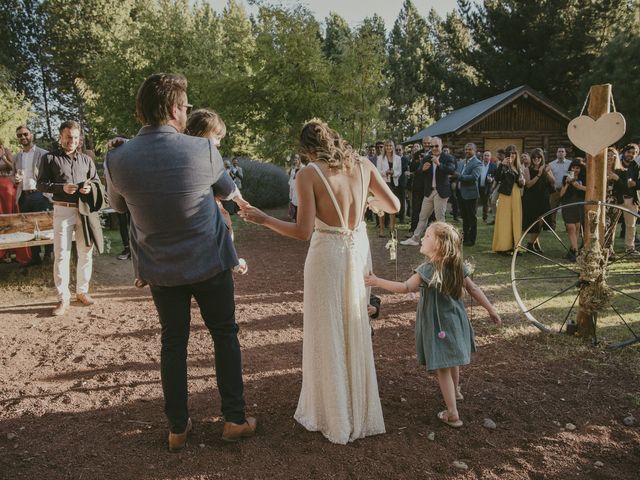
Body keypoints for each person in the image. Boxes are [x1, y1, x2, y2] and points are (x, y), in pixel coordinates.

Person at [105, 73, 256, 451]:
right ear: (174, 109)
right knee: (224, 335)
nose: (187, 113)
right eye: (186, 107)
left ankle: (177, 427)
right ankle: (234, 419)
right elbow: (230, 194)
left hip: (160, 268)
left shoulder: (117, 158)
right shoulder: (202, 150)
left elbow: (119, 207)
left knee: (173, 343)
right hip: (209, 261)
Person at [240, 119, 399, 444]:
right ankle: (358, 410)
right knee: (355, 325)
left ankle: (334, 415)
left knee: (328, 330)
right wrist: (370, 204)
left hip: (328, 255)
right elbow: (394, 205)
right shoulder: (364, 164)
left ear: (309, 150)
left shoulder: (309, 174)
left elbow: (302, 231)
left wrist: (264, 219)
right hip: (357, 253)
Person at [365, 222, 501, 428]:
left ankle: (453, 413)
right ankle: (455, 391)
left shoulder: (427, 269)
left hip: (439, 326)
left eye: (427, 236)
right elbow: (473, 289)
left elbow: (404, 287)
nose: (422, 239)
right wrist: (491, 310)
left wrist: (377, 281)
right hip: (456, 321)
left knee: (442, 368)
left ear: (439, 245)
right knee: (452, 360)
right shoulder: (457, 266)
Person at [37, 121, 103, 316]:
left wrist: (89, 188)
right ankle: (62, 298)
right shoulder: (49, 158)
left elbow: (97, 182)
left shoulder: (86, 160)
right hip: (62, 210)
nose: (72, 141)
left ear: (79, 138)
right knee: (62, 254)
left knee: (85, 251)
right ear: (61, 137)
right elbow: (40, 184)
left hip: (84, 212)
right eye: (68, 137)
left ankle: (82, 292)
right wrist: (60, 188)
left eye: (75, 137)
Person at [401, 137, 456, 246]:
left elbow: (451, 170)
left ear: (441, 145)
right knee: (423, 216)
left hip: (441, 192)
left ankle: (443, 242)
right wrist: (422, 170)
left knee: (440, 218)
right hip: (429, 191)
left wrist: (439, 163)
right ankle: (415, 239)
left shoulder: (447, 157)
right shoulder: (427, 158)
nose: (434, 148)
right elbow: (418, 172)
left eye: (436, 146)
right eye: (432, 146)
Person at [14, 125, 53, 264]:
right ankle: (35, 257)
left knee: (45, 226)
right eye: (20, 135)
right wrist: (16, 179)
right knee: (29, 228)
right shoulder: (17, 156)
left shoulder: (43, 153)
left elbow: (50, 175)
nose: (23, 137)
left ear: (31, 135)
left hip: (40, 194)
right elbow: (15, 175)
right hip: (24, 196)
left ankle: (48, 255)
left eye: (25, 134)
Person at [0, 142, 31, 264]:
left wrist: (3, 157)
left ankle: (15, 251)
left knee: (10, 216)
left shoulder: (6, 151)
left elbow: (13, 168)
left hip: (8, 188)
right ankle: (2, 253)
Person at [492, 145, 525, 255]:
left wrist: (521, 182)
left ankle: (515, 246)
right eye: (510, 153)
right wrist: (502, 165)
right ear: (506, 155)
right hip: (505, 196)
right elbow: (497, 178)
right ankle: (503, 247)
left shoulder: (518, 167)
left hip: (516, 194)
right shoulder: (503, 166)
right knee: (505, 220)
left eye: (514, 153)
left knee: (515, 220)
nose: (512, 155)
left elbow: (519, 183)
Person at [522, 148, 555, 253]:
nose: (536, 159)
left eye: (539, 157)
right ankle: (532, 244)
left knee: (541, 221)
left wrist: (546, 172)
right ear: (531, 158)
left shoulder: (546, 168)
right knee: (534, 222)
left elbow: (553, 181)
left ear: (542, 158)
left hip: (543, 198)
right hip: (532, 198)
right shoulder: (527, 169)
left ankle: (532, 244)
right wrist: (539, 174)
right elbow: (528, 184)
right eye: (534, 157)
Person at [559, 160, 586, 262]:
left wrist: (578, 186)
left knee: (577, 228)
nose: (575, 170)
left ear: (581, 169)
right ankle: (575, 252)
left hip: (579, 204)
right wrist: (567, 183)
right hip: (568, 204)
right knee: (570, 227)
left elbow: (590, 189)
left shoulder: (585, 177)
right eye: (573, 168)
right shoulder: (567, 176)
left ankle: (572, 249)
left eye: (577, 168)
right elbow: (561, 195)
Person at [457, 143, 482, 246]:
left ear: (475, 150)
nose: (467, 151)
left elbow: (474, 177)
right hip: (460, 193)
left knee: (471, 218)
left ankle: (471, 240)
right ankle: (465, 238)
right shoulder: (462, 162)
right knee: (464, 217)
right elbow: (457, 173)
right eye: (466, 149)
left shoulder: (478, 163)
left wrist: (460, 176)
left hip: (471, 194)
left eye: (470, 149)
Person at [376, 140, 402, 236]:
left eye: (390, 146)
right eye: (387, 146)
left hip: (393, 184)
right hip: (383, 184)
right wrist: (386, 172)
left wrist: (393, 173)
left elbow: (399, 172)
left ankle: (392, 229)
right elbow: (378, 171)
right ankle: (382, 230)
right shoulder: (379, 158)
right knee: (381, 207)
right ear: (385, 147)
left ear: (393, 147)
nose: (388, 147)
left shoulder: (398, 158)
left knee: (392, 206)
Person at [548, 147, 572, 230]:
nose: (561, 153)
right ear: (556, 153)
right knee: (552, 209)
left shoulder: (570, 164)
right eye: (559, 151)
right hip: (555, 190)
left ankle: (568, 227)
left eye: (562, 151)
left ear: (565, 153)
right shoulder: (551, 164)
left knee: (567, 209)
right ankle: (552, 227)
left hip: (566, 190)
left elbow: (571, 176)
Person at [478, 151, 496, 223]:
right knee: (475, 202)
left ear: (490, 157)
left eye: (488, 155)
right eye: (485, 155)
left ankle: (484, 218)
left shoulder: (493, 166)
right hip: (477, 186)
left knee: (485, 203)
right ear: (483, 157)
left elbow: (496, 176)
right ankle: (473, 217)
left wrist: (492, 179)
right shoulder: (479, 164)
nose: (486, 157)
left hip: (487, 187)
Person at [288, 153, 302, 220]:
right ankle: (296, 221)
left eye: (297, 159)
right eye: (294, 160)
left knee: (300, 207)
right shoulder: (293, 170)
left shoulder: (303, 168)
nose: (295, 161)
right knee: (295, 207)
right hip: (294, 190)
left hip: (300, 190)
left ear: (299, 160)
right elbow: (291, 182)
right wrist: (290, 195)